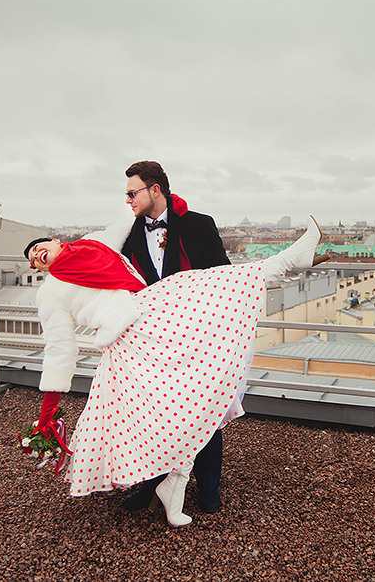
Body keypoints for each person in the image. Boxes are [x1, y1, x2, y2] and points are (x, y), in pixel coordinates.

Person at [25, 214, 324, 527]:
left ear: (55, 242)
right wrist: (47, 413)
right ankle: (170, 486)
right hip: (128, 343)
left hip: (151, 314)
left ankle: (291, 258)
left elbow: (131, 217)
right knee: (167, 417)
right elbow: (59, 349)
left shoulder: (95, 244)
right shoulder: (49, 293)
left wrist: (164, 201)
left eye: (38, 249)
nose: (36, 256)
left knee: (217, 288)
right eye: (33, 260)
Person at [118, 161, 231, 514]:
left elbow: (222, 277)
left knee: (203, 413)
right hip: (153, 343)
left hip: (197, 338)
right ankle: (152, 485)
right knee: (155, 415)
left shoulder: (199, 224)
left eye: (132, 192)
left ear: (155, 190)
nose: (127, 200)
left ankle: (208, 487)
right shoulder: (128, 233)